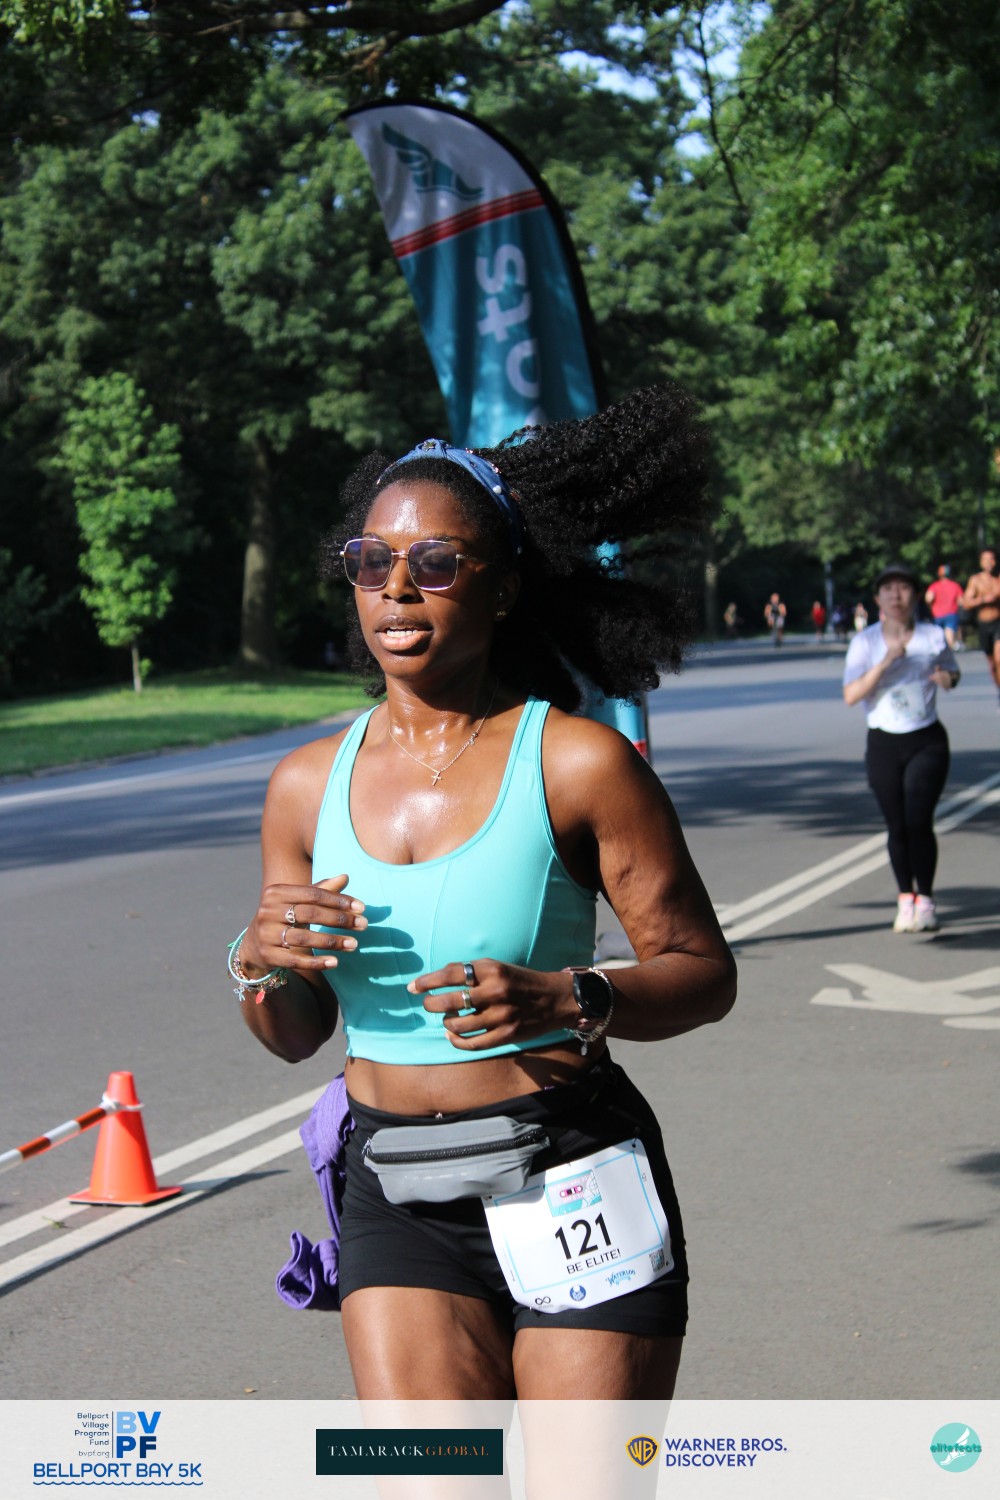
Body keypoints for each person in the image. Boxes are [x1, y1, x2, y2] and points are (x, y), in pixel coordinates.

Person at [228, 385, 737, 1404]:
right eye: (371, 561)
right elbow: (295, 1033)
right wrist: (257, 964)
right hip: (397, 1190)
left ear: (501, 589)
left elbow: (703, 973)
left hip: (568, 1166)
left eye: (434, 562)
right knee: (435, 1473)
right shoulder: (303, 787)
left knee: (582, 1477)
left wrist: (571, 997)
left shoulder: (579, 764)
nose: (396, 589)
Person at [843, 563, 960, 934]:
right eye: (888, 589)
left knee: (918, 819)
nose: (896, 595)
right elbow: (851, 695)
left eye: (904, 587)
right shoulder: (865, 642)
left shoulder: (933, 636)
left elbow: (953, 672)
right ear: (877, 599)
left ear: (916, 596)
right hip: (883, 742)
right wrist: (886, 661)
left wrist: (947, 678)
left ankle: (925, 899)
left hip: (926, 739)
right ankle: (905, 898)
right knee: (896, 825)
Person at [961, 546, 1000, 706]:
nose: (989, 563)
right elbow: (966, 602)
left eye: (992, 559)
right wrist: (983, 600)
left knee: (999, 658)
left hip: (998, 623)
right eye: (985, 559)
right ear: (981, 562)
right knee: (992, 664)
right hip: (984, 624)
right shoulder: (976, 580)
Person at [924, 564, 964, 650]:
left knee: (938, 637)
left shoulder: (934, 586)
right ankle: (948, 651)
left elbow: (928, 598)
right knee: (949, 635)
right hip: (951, 614)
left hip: (937, 615)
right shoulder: (955, 585)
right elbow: (961, 601)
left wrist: (930, 607)